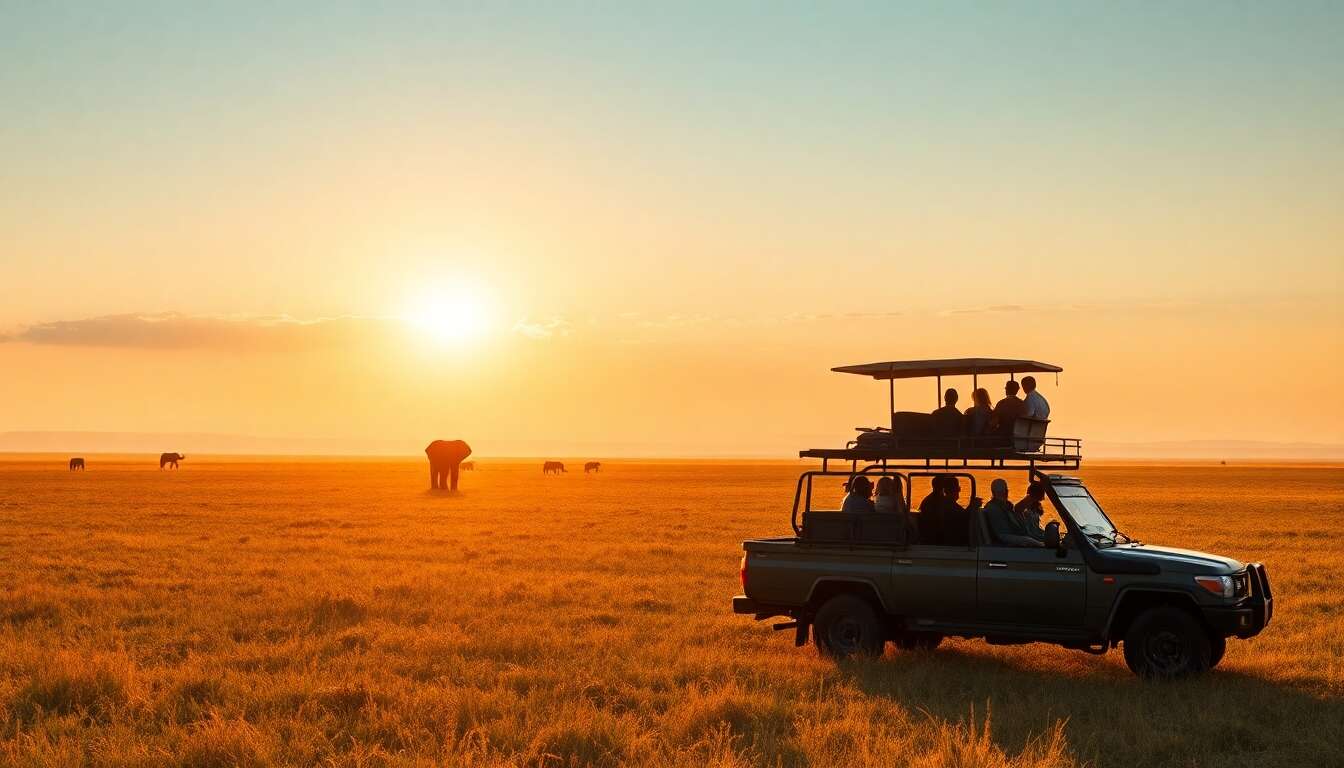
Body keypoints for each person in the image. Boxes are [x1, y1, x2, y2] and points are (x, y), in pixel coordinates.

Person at [983, 478, 1040, 546]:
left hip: (1010, 534)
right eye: (1003, 491)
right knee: (1029, 540)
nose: (1006, 492)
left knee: (1033, 537)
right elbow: (1003, 528)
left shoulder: (1006, 506)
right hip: (1004, 536)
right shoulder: (993, 507)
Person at [938, 476, 982, 547]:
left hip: (952, 540)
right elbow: (963, 519)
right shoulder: (949, 506)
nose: (959, 491)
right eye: (958, 488)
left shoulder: (945, 503)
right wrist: (972, 506)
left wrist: (971, 507)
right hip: (955, 543)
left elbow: (962, 516)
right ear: (955, 490)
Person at [917, 476, 946, 544]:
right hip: (936, 535)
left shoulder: (926, 500)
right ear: (943, 487)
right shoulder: (942, 500)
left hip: (928, 534)